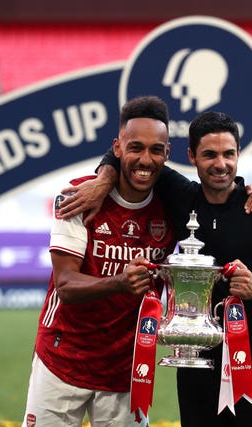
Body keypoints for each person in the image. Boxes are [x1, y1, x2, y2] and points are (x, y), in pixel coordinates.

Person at [60, 111, 252, 427]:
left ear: (238, 155)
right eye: (209, 154)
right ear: (191, 156)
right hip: (193, 362)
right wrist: (103, 180)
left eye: (228, 154)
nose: (220, 164)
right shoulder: (181, 197)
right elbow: (123, 152)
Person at [21, 95, 177, 427]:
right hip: (63, 359)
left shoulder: (174, 207)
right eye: (135, 147)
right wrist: (120, 281)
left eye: (155, 149)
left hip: (127, 367)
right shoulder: (78, 196)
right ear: (117, 148)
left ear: (168, 153)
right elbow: (65, 284)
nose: (145, 160)